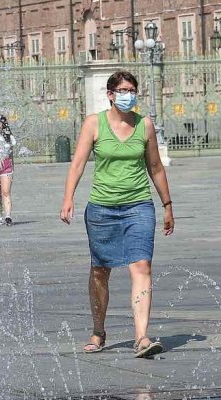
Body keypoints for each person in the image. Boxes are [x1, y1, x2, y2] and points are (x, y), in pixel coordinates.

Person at [60, 70, 174, 359]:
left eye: (132, 90)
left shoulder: (144, 124)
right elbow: (77, 164)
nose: (128, 95)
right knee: (101, 270)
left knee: (142, 266)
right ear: (110, 95)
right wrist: (68, 198)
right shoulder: (93, 124)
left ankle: (142, 338)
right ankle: (98, 331)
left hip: (139, 206)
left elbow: (156, 168)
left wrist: (167, 205)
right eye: (122, 90)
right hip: (102, 208)